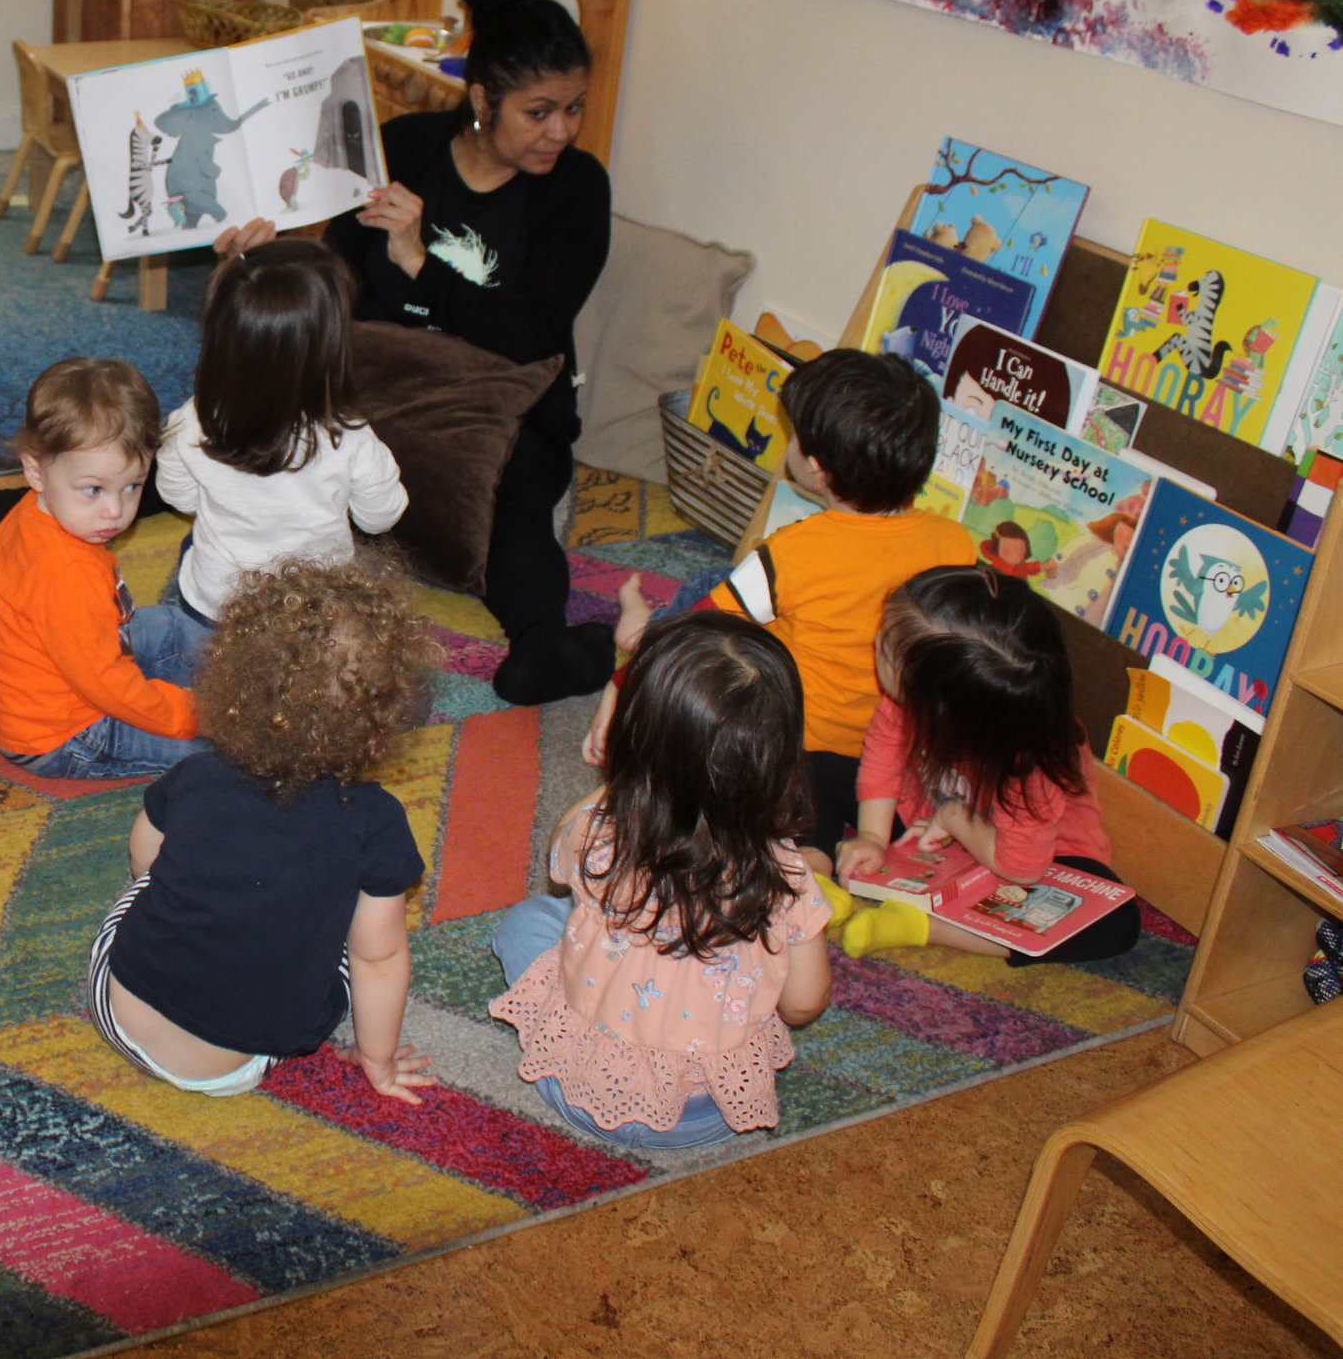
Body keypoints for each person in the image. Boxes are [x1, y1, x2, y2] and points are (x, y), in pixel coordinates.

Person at [216, 0, 612, 706]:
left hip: (496, 403)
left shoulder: (578, 188)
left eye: (573, 108)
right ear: (483, 98)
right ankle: (64, 501)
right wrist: (258, 261)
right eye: (539, 111)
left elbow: (534, 332)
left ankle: (542, 644)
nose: (559, 130)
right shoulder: (407, 146)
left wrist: (422, 261)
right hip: (376, 382)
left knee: (516, 495)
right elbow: (337, 281)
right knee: (240, 428)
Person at [586, 349, 977, 862]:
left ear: (817, 470)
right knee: (721, 584)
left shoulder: (792, 553)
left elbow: (691, 632)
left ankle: (636, 626)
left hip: (794, 752)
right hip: (895, 764)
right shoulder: (956, 544)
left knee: (705, 594)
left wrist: (618, 691)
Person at [87, 555, 438, 1102]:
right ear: (386, 714)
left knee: (148, 886)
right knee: (353, 947)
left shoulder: (195, 775)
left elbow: (144, 858)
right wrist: (378, 1061)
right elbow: (379, 957)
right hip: (230, 1066)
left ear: (234, 680)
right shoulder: (375, 822)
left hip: (115, 1006)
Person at [490, 611, 835, 1148]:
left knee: (529, 920)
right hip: (713, 1111)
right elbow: (804, 1003)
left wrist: (615, 789)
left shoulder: (596, 834)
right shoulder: (786, 874)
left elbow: (559, 863)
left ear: (635, 739)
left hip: (584, 1095)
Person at [829, 566, 1143, 965]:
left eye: (886, 649)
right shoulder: (909, 702)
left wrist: (954, 815)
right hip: (928, 832)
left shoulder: (1031, 764)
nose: (875, 643)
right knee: (819, 767)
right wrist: (871, 837)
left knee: (1116, 922)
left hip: (1033, 861)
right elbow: (881, 759)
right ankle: (816, 873)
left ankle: (925, 926)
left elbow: (1022, 869)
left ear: (942, 706)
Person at [152, 239, 407, 629]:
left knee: (198, 546)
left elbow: (179, 496)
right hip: (311, 615)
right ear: (329, 348)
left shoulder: (192, 419)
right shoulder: (349, 434)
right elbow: (381, 517)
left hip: (215, 606)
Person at [0, 357, 206, 780]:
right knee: (222, 748)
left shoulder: (38, 512)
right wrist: (195, 714)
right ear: (35, 470)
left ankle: (245, 667)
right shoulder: (65, 573)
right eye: (94, 490)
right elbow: (108, 685)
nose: (115, 511)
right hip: (63, 733)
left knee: (169, 624)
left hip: (52, 679)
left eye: (133, 486)